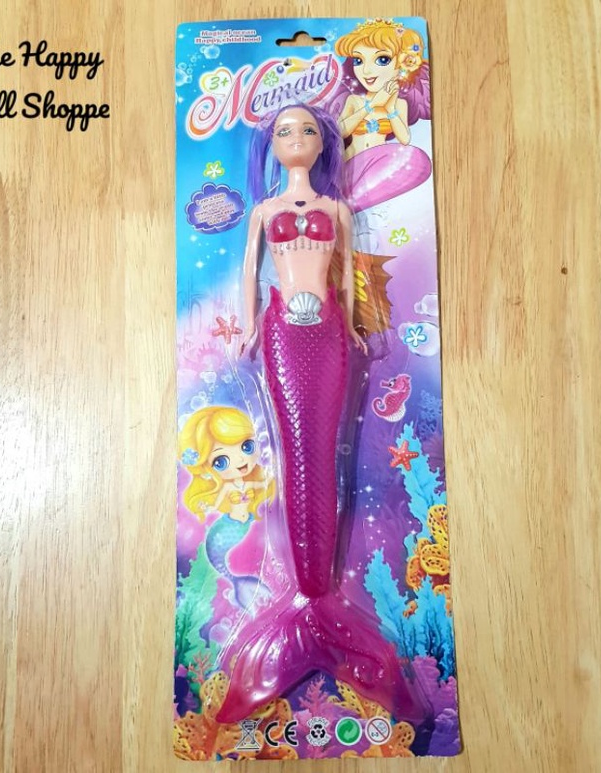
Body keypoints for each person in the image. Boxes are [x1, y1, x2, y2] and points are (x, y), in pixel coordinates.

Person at [215, 103, 422, 724]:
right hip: (282, 330)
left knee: (324, 454)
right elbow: (250, 272)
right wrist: (250, 326)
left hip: (328, 329)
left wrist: (356, 327)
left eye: (307, 130)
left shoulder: (338, 210)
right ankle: (308, 598)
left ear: (322, 143)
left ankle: (319, 602)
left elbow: (348, 275)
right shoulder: (264, 211)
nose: (296, 138)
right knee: (295, 452)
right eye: (285, 131)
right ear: (273, 146)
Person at [333, 18, 432, 213]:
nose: (366, 70)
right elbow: (339, 132)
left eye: (382, 59)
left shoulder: (399, 104)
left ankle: (357, 211)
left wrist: (390, 108)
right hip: (351, 164)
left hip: (379, 167)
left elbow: (405, 139)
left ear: (402, 64)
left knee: (415, 158)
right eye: (358, 60)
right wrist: (371, 105)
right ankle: (348, 210)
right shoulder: (354, 100)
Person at [179, 405, 273, 608]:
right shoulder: (228, 488)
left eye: (247, 447)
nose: (240, 461)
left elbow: (262, 485)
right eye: (221, 461)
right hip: (227, 529)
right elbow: (217, 500)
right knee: (220, 558)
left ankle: (241, 584)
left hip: (244, 524)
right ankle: (239, 584)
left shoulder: (250, 483)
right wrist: (207, 507)